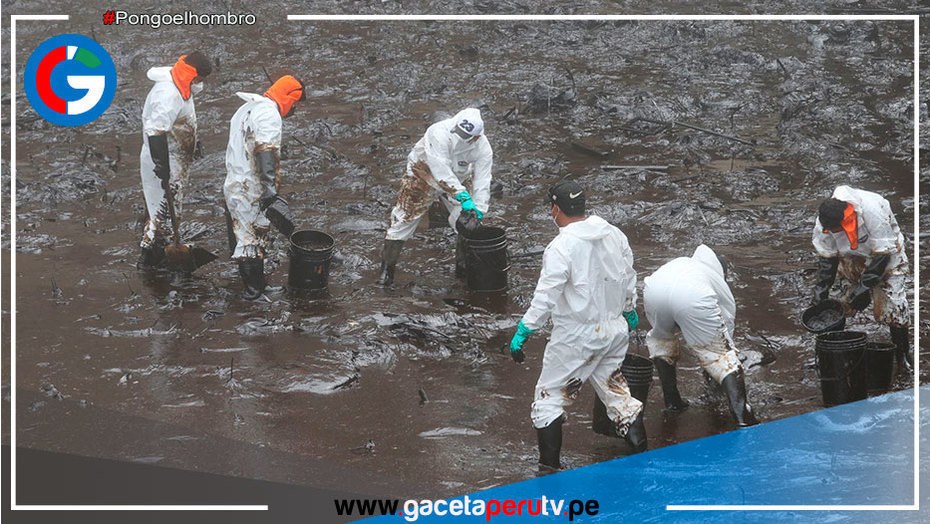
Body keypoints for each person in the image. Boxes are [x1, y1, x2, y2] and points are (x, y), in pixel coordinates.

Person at [509, 180, 645, 470]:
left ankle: (549, 473)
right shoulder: (614, 234)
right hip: (614, 331)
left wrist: (525, 329)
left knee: (548, 399)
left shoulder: (561, 247)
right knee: (617, 394)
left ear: (555, 209)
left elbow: (547, 294)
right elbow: (628, 274)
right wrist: (629, 309)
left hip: (577, 337)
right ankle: (643, 460)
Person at [643, 244, 759, 427]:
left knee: (662, 342)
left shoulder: (683, 263)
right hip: (692, 295)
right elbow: (725, 331)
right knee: (722, 357)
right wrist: (715, 367)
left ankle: (673, 402)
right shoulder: (717, 280)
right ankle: (742, 416)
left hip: (653, 290)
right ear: (722, 271)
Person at [378, 108, 493, 286]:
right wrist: (462, 195)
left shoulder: (483, 148)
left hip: (459, 177)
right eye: (459, 132)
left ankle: (462, 270)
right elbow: (440, 170)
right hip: (423, 174)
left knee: (468, 223)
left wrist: (478, 208)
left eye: (467, 136)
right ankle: (386, 272)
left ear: (477, 137)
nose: (460, 138)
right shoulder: (438, 132)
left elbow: (483, 180)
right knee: (404, 220)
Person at [812, 185, 911, 370]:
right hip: (850, 257)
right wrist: (821, 289)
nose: (833, 231)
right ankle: (832, 354)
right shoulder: (824, 222)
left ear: (845, 219)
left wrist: (864, 288)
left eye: (836, 229)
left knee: (894, 307)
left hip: (886, 255)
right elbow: (827, 257)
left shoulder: (871, 210)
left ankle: (902, 356)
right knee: (838, 302)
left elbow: (883, 253)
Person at [223, 75, 304, 299]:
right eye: (295, 104)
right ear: (289, 98)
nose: (294, 109)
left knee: (248, 234)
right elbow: (265, 151)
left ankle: (259, 286)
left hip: (235, 180)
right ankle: (254, 292)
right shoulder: (269, 114)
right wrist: (270, 191)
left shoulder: (246, 109)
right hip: (250, 185)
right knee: (250, 239)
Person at [137, 52, 213, 269]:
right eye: (199, 79)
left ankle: (157, 252)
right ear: (192, 75)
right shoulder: (168, 94)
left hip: (176, 157)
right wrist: (162, 167)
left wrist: (194, 143)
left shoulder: (181, 84)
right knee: (161, 211)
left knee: (166, 208)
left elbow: (181, 120)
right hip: (164, 159)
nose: (200, 84)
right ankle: (149, 259)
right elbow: (155, 131)